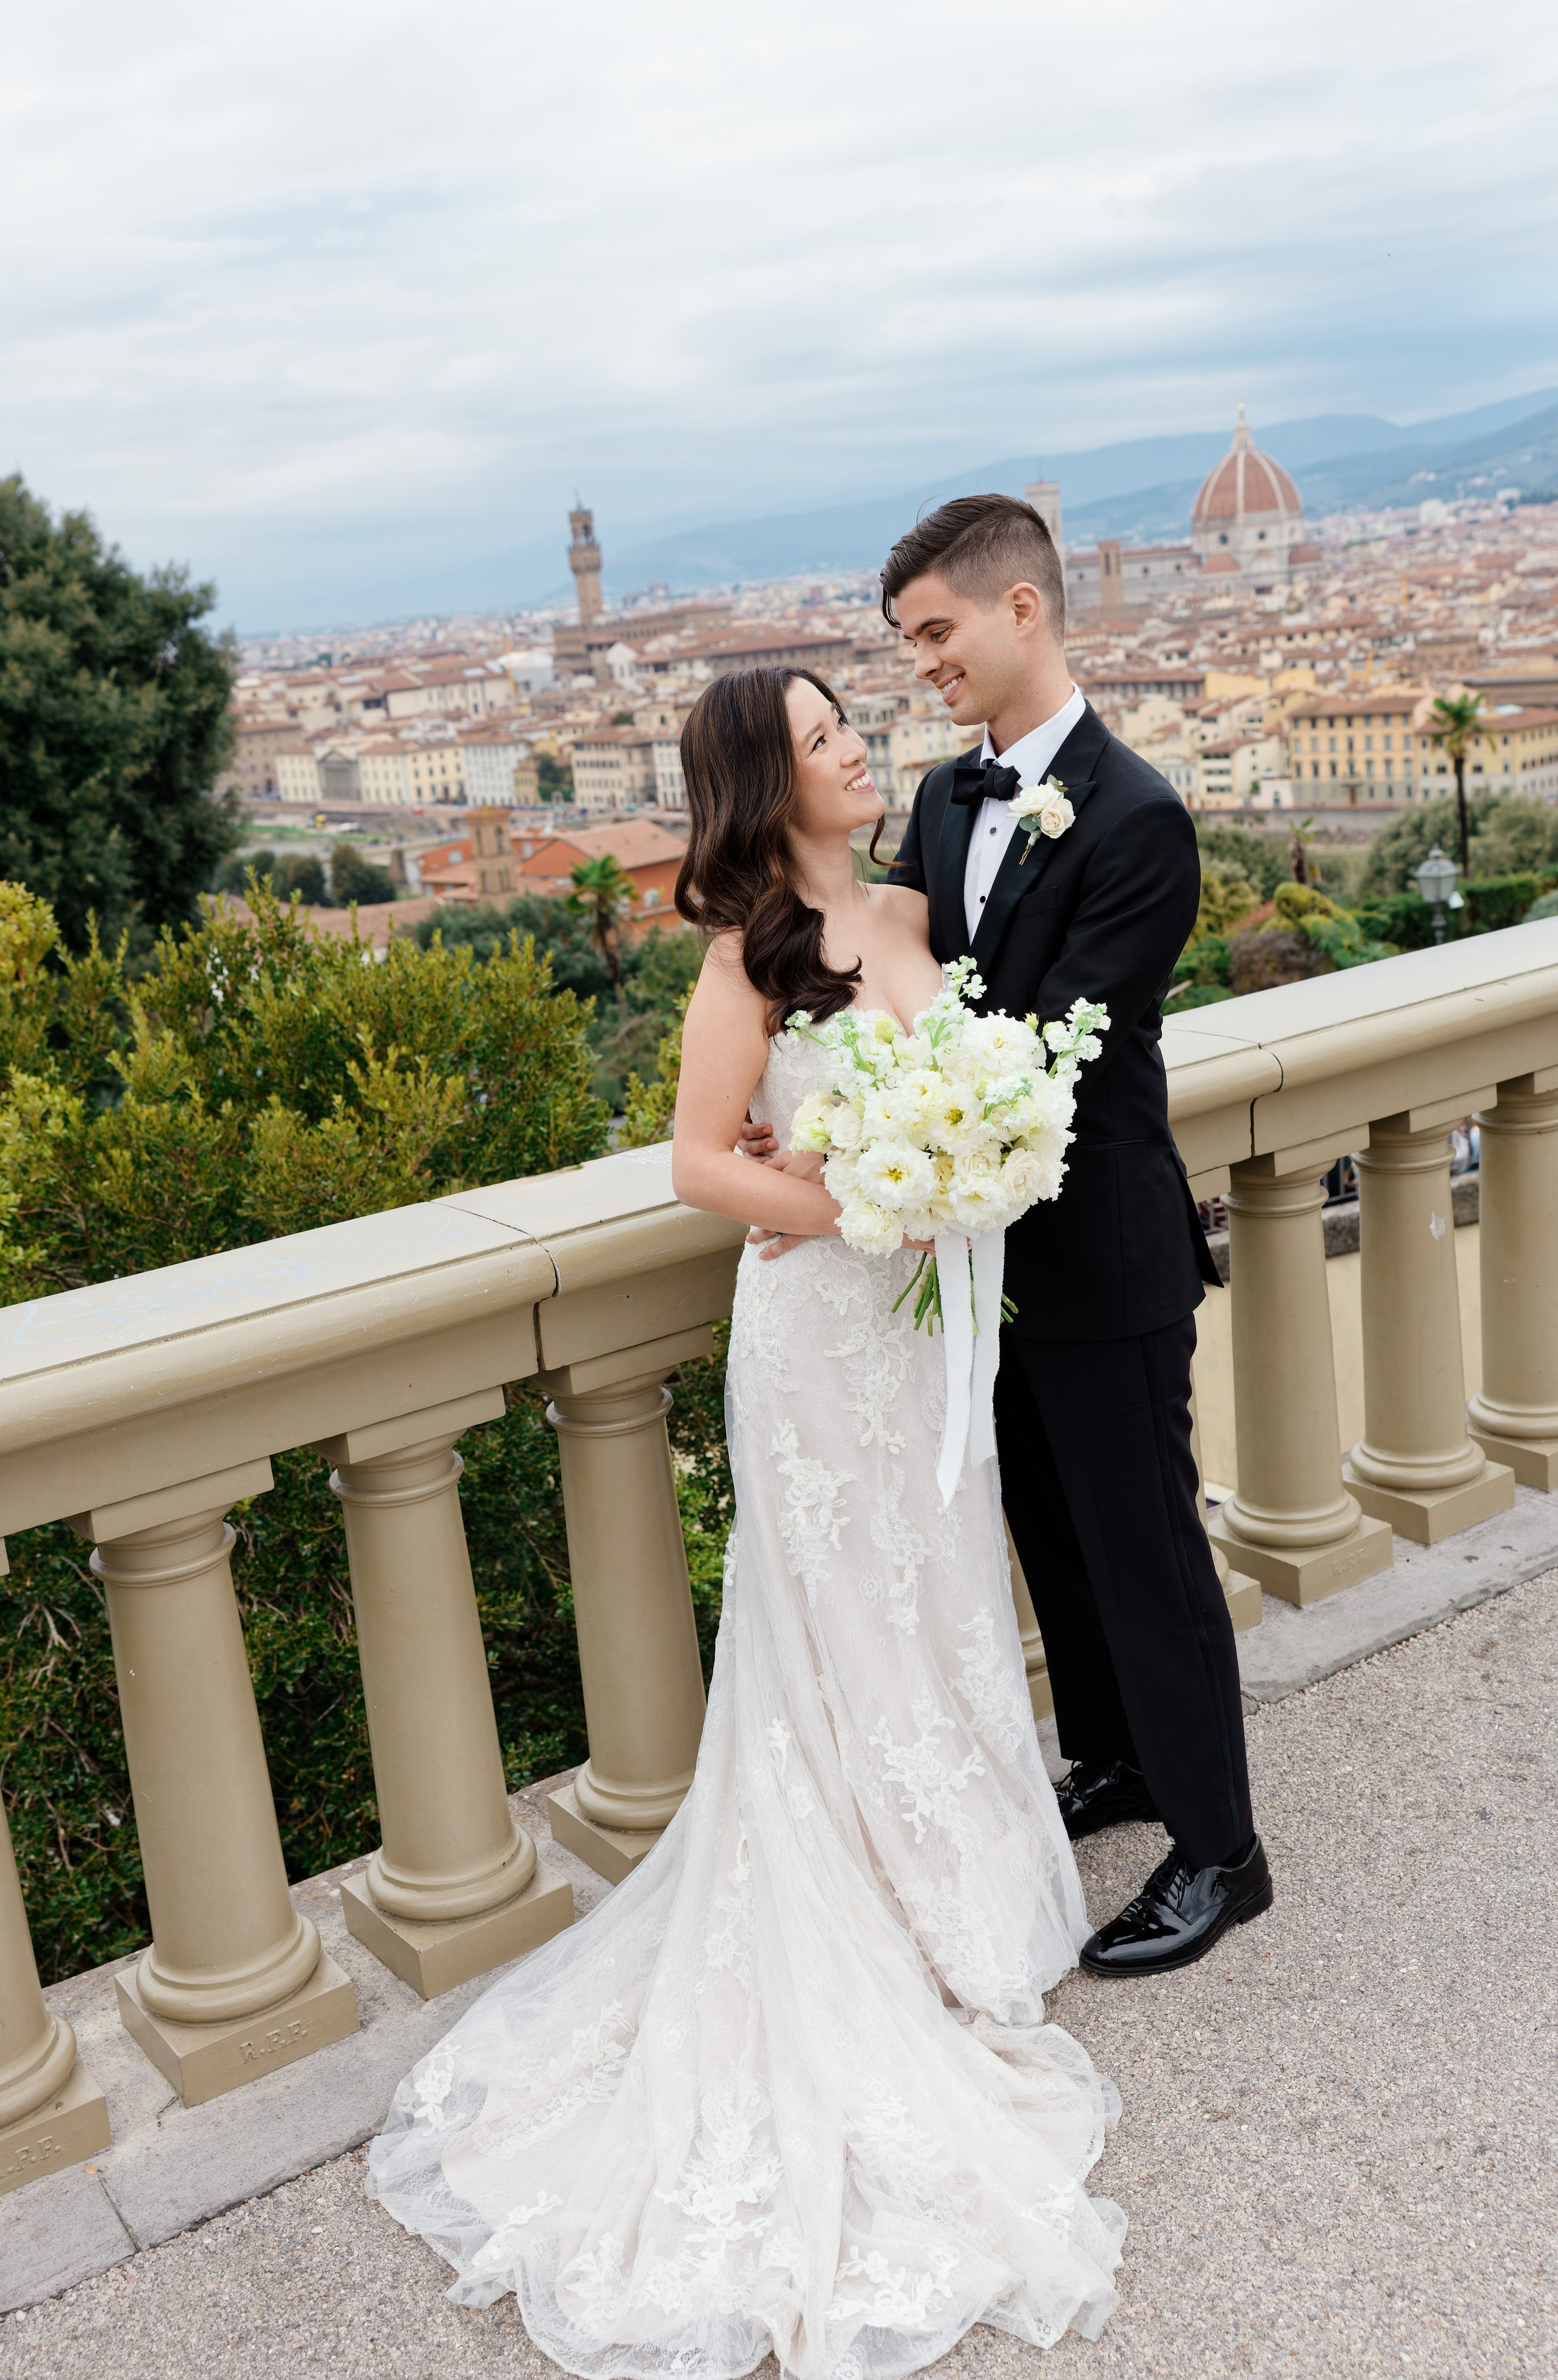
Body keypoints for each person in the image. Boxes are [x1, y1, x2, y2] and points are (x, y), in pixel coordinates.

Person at [369, 663, 1125, 2377]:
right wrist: (861, 1191)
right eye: (827, 740)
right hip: (817, 1352)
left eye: (856, 723)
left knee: (938, 1608)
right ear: (763, 786)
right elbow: (701, 1159)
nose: (863, 750)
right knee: (839, 1636)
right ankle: (874, 1930)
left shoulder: (922, 906)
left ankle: (959, 1908)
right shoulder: (749, 958)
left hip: (926, 1336)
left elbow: (980, 1078)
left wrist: (974, 1162)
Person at [875, 493, 1269, 1975]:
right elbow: (893, 978)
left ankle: (1221, 1849)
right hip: (981, 1256)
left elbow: (1056, 1051)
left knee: (1142, 1549)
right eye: (908, 642)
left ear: (1019, 609)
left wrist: (889, 1123)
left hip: (1096, 1247)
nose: (923, 663)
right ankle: (1108, 1761)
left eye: (936, 632)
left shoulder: (1136, 815)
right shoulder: (936, 798)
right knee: (1046, 1529)